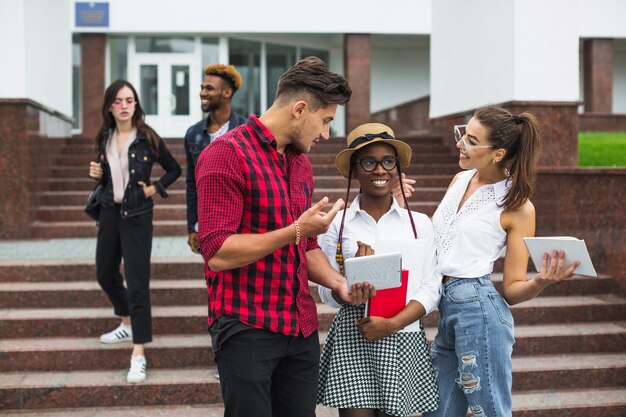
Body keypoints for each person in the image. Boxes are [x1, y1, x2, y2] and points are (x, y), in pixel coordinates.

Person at [195, 56, 355, 417]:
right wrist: (297, 229)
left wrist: (338, 282)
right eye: (325, 120)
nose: (326, 133)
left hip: (299, 327)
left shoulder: (300, 162)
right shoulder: (225, 154)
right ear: (300, 109)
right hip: (246, 324)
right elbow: (218, 251)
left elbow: (307, 245)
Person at [423, 105, 580, 417]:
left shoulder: (517, 205)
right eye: (461, 134)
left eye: (470, 140)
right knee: (437, 411)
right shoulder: (459, 180)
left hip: (478, 311)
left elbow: (511, 288)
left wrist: (542, 281)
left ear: (497, 153)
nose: (460, 144)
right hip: (445, 307)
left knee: (490, 411)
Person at [316, 123, 441, 417]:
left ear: (397, 168)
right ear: (354, 170)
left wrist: (393, 323)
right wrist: (349, 289)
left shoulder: (419, 223)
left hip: (402, 330)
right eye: (369, 162)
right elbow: (325, 287)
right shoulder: (338, 223)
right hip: (355, 331)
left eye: (388, 161)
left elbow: (432, 285)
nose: (380, 170)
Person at [88, 79, 181, 384]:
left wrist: (155, 188)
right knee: (104, 272)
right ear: (110, 106)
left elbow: (174, 169)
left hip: (138, 215)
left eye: (130, 100)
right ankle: (126, 321)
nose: (125, 106)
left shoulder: (147, 138)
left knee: (137, 284)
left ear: (136, 104)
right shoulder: (104, 136)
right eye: (118, 101)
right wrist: (97, 174)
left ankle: (138, 353)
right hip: (110, 212)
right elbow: (105, 176)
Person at [184, 64, 247, 254]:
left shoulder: (247, 130)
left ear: (227, 92)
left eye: (209, 88)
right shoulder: (193, 134)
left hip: (242, 221)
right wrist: (191, 226)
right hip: (208, 221)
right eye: (202, 88)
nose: (203, 93)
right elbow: (191, 183)